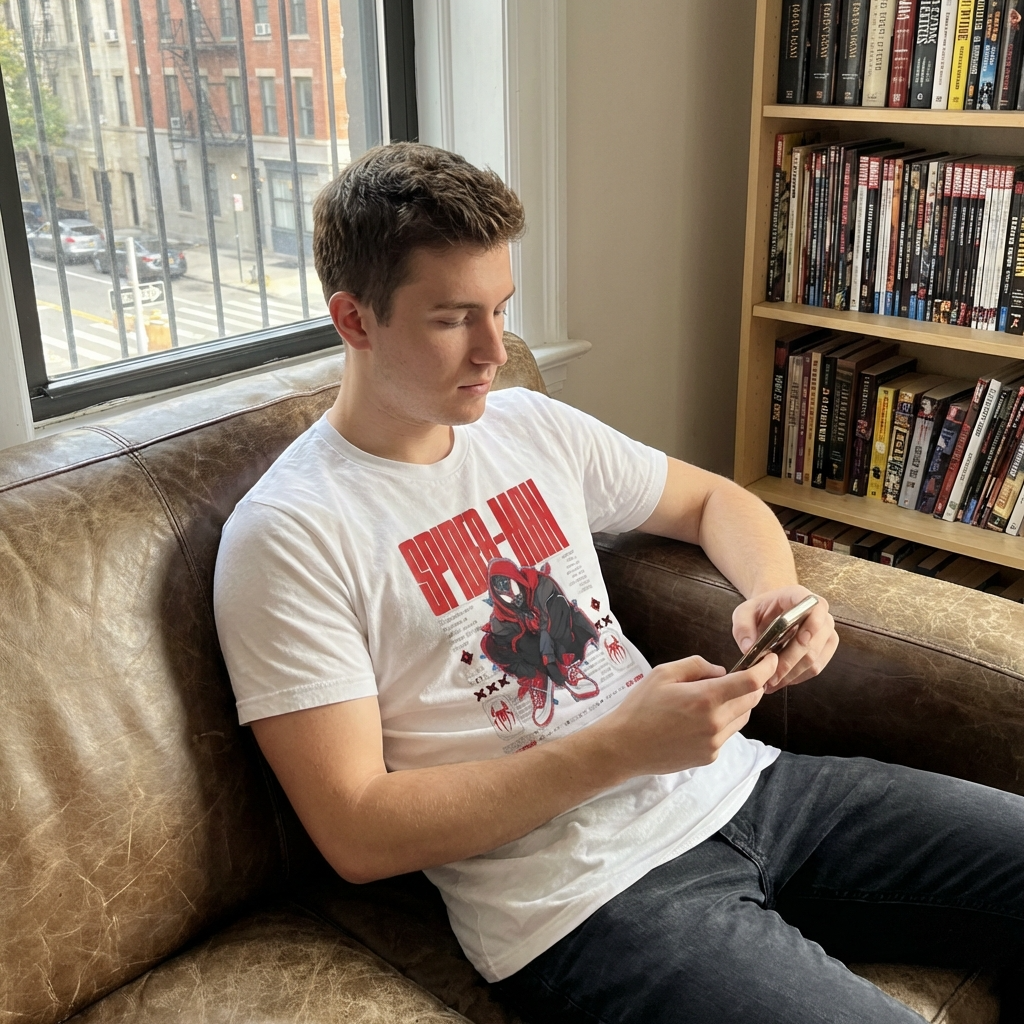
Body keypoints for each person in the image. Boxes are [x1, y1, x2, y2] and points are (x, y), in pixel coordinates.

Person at [213, 142, 1024, 1024]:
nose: (495, 350)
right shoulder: (286, 537)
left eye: (501, 310)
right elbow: (359, 832)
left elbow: (714, 499)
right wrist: (624, 747)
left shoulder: (527, 424)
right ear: (355, 319)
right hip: (585, 901)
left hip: (753, 788)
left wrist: (778, 593)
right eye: (453, 319)